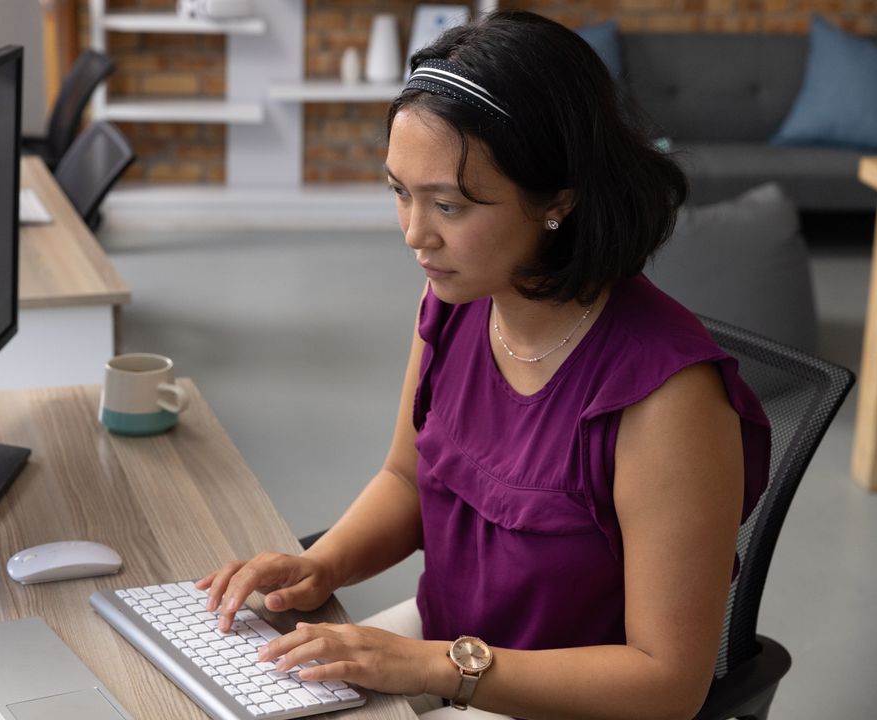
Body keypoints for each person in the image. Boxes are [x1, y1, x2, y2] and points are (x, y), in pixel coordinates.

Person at [196, 11, 770, 720]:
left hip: (570, 697)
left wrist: (435, 665)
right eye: (400, 192)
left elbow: (668, 683)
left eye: (450, 205)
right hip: (453, 649)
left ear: (557, 200)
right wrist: (324, 564)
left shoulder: (668, 397)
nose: (414, 234)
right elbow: (408, 477)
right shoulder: (458, 300)